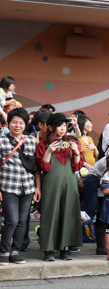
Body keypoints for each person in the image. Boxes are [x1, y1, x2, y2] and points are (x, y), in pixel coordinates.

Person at [36, 113, 83, 261]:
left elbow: (76, 167)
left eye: (65, 126)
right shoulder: (43, 145)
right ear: (50, 127)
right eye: (59, 125)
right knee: (50, 214)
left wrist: (76, 153)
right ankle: (48, 249)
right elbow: (44, 167)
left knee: (68, 213)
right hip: (51, 184)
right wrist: (49, 151)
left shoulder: (71, 142)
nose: (63, 129)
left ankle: (65, 248)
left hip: (69, 184)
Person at [0, 108, 39, 265]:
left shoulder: (30, 141)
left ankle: (15, 251)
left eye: (21, 122)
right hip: (8, 186)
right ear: (8, 123)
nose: (17, 125)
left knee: (23, 220)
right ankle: (4, 251)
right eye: (14, 122)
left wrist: (38, 188)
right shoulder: (1, 141)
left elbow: (35, 168)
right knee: (12, 220)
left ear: (25, 124)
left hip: (28, 187)